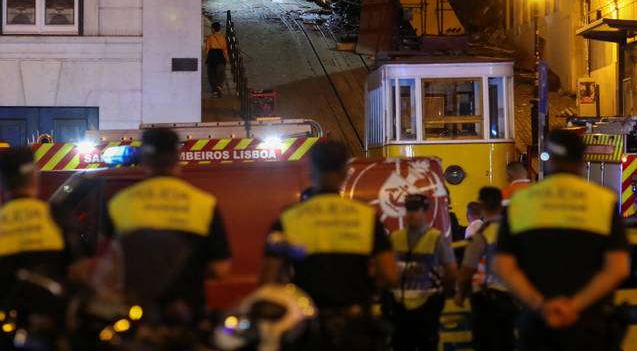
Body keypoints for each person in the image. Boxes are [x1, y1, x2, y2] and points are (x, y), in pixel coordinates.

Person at [495, 129, 631, 351]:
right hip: (589, 328)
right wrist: (573, 306)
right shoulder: (603, 202)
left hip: (537, 328)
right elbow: (618, 269)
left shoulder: (521, 202)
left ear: (549, 159)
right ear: (582, 160)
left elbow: (503, 266)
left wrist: (541, 306)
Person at [261, 139, 397, 351]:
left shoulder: (288, 219)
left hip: (308, 330)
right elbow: (389, 275)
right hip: (356, 328)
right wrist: (365, 289)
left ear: (311, 171)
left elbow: (268, 281)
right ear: (344, 173)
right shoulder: (366, 217)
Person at [104, 128, 232, 324]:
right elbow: (221, 269)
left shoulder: (119, 203)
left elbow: (107, 263)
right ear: (177, 158)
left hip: (136, 319)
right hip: (188, 320)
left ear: (145, 160)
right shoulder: (204, 204)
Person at [0, 147, 78, 344]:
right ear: (35, 176)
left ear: (3, 182)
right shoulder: (55, 216)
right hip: (50, 327)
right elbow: (78, 266)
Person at [389, 192, 458, 351]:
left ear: (425, 211)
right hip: (400, 307)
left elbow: (451, 271)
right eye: (409, 210)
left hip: (427, 306)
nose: (411, 214)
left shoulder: (436, 238)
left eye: (415, 210)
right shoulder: (395, 238)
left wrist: (442, 293)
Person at [456, 186, 516, 351]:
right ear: (500, 204)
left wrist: (460, 294)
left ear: (482, 206)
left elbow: (467, 268)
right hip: (510, 298)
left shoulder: (481, 234)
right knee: (506, 342)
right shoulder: (512, 232)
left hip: (486, 300)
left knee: (485, 343)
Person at [204, 21, 229, 98]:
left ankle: (215, 91)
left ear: (213, 29)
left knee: (211, 75)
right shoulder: (223, 38)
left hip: (212, 57)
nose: (211, 30)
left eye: (211, 28)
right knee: (221, 73)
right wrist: (226, 58)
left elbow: (207, 50)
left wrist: (206, 59)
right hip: (220, 57)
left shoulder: (210, 38)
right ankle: (220, 86)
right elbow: (225, 49)